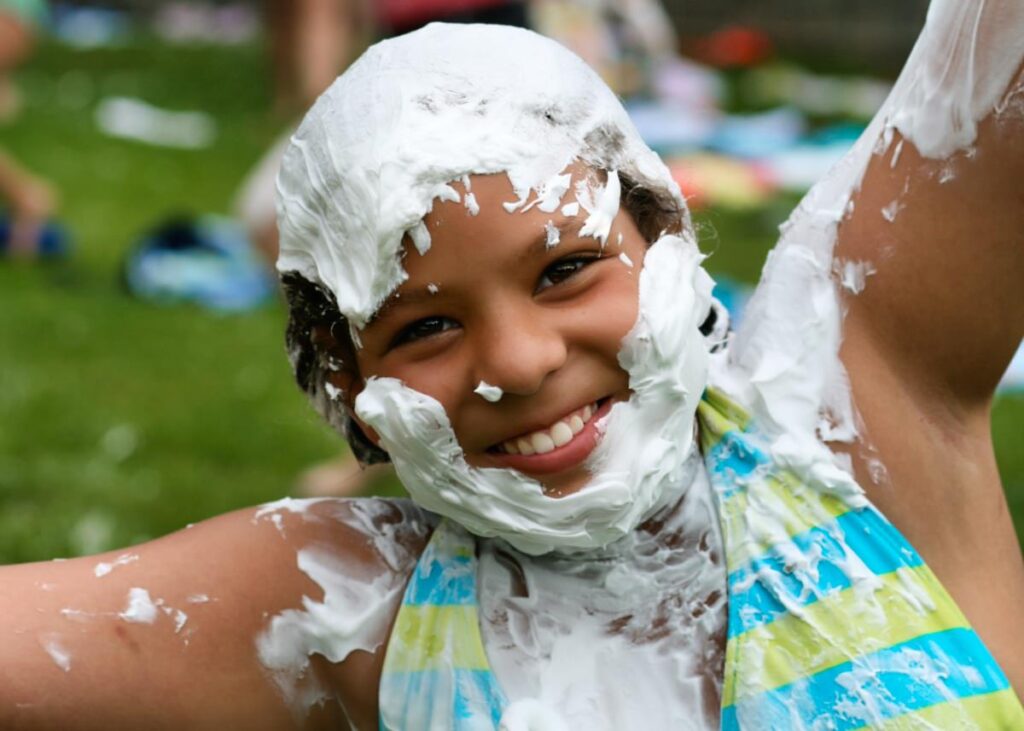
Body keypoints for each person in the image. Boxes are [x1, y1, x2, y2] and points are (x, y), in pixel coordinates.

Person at [1, 4, 1022, 730]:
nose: (522, 363)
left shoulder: (857, 406)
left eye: (568, 269)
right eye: (424, 329)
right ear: (347, 395)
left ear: (665, 233)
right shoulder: (345, 605)